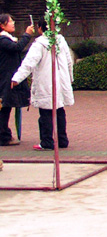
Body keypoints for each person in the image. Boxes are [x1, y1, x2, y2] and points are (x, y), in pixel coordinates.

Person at [11, 18, 74, 151]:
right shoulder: (60, 40)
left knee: (46, 113)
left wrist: (17, 78)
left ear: (40, 28)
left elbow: (29, 63)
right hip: (60, 81)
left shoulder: (39, 44)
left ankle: (47, 141)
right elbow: (69, 61)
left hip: (46, 82)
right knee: (59, 111)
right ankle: (62, 140)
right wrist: (69, 78)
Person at [0, 14, 34, 146]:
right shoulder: (3, 40)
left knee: (6, 107)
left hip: (7, 77)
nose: (13, 23)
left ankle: (4, 134)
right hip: (5, 79)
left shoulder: (7, 39)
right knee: (4, 107)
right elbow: (17, 48)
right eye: (10, 21)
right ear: (2, 25)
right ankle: (4, 136)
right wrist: (27, 35)